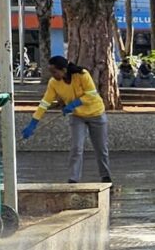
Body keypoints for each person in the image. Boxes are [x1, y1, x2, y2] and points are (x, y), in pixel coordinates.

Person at [40, 53, 112, 183]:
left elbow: (91, 95)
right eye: (50, 72)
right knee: (76, 148)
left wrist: (73, 103)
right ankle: (73, 178)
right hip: (77, 116)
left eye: (54, 71)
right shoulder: (53, 83)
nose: (52, 75)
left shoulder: (82, 75)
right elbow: (45, 101)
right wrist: (34, 121)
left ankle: (105, 176)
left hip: (96, 114)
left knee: (101, 148)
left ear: (63, 70)